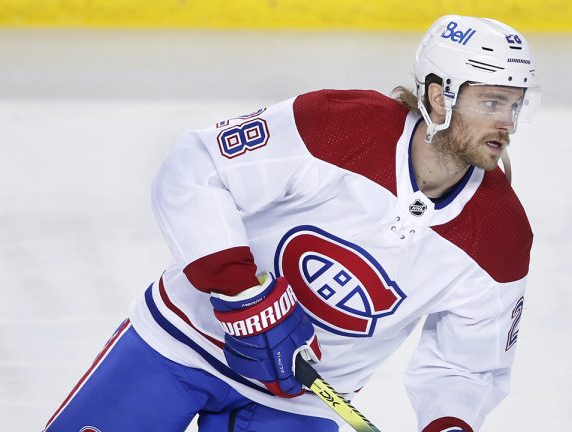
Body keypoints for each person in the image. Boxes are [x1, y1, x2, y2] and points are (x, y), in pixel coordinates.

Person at [44, 14, 540, 432]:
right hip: (184, 340)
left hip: (299, 402)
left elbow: (467, 368)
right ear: (438, 97)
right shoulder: (338, 125)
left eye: (515, 105)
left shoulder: (501, 235)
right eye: (492, 102)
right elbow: (196, 167)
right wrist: (239, 292)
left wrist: (448, 424)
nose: (508, 124)